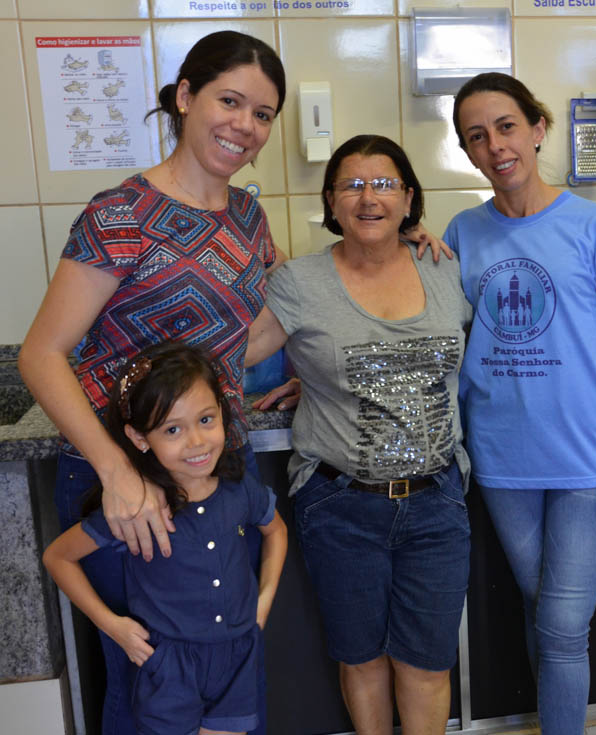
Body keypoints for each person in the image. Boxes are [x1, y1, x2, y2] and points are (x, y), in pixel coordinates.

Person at [19, 31, 287, 735]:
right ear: (185, 97)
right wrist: (118, 474)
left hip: (217, 470)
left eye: (262, 114)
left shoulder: (249, 219)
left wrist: (396, 239)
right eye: (230, 101)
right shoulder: (121, 214)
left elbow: (253, 332)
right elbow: (41, 354)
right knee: (148, 677)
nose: (245, 125)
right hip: (125, 473)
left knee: (226, 667)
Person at [443, 72, 596, 735]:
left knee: (561, 625)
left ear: (537, 129)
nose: (496, 146)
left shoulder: (594, 226)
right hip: (502, 458)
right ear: (468, 151)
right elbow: (431, 328)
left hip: (586, 458)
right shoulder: (462, 233)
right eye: (477, 136)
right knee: (548, 611)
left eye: (507, 127)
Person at [246, 134, 472, 735]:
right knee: (362, 657)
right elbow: (234, 353)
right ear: (331, 201)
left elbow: (496, 345)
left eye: (384, 184)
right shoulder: (300, 282)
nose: (368, 197)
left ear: (409, 198)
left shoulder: (445, 267)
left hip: (437, 501)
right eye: (352, 185)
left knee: (428, 662)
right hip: (340, 502)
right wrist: (314, 374)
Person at [42, 341, 288, 735]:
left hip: (237, 658)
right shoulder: (136, 511)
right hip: (168, 667)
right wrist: (112, 625)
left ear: (222, 412)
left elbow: (276, 530)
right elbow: (58, 557)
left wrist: (265, 599)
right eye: (173, 429)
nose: (196, 442)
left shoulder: (240, 489)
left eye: (206, 419)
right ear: (140, 438)